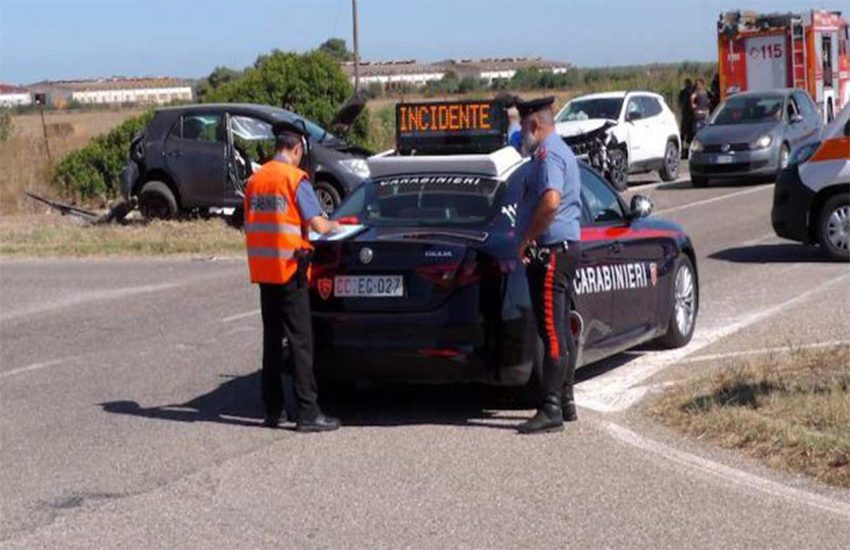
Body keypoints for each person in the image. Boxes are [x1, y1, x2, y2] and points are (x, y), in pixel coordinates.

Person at [243, 119, 341, 432]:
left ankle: (272, 410)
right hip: (291, 270)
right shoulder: (295, 179)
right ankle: (308, 412)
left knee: (272, 342)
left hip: (265, 272)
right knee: (300, 343)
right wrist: (336, 224)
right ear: (297, 149)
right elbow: (316, 224)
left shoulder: (255, 181)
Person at [514, 97, 583, 435]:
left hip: (552, 251)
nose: (521, 133)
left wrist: (526, 238)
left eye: (523, 127)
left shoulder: (547, 154)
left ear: (534, 125)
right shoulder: (557, 150)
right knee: (561, 328)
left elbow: (551, 201)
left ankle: (551, 407)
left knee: (553, 332)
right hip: (563, 249)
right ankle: (566, 400)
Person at [678, 78, 694, 147]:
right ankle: (685, 146)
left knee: (685, 132)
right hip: (689, 114)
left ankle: (684, 146)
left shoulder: (684, 92)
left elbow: (680, 103)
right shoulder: (691, 91)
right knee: (688, 132)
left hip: (687, 114)